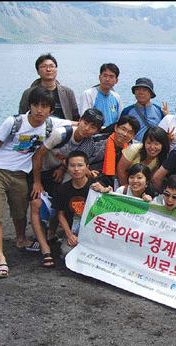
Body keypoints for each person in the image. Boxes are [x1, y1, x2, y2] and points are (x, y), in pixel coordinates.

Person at [0, 86, 69, 278]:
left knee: (19, 212)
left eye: (45, 106)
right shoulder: (13, 122)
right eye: (36, 105)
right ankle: (1, 259)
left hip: (19, 175)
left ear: (50, 109)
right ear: (30, 106)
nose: (40, 110)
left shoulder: (51, 124)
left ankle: (21, 240)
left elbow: (77, 123)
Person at [30, 108, 105, 267]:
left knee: (61, 200)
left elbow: (75, 163)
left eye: (93, 127)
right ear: (80, 121)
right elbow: (37, 155)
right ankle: (45, 250)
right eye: (85, 123)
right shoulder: (61, 134)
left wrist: (63, 169)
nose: (86, 128)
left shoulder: (88, 143)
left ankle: (51, 234)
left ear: (97, 131)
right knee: (36, 203)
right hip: (41, 171)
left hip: (57, 172)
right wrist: (37, 182)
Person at [53, 150, 93, 257]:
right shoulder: (62, 189)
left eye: (80, 165)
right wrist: (69, 234)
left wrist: (105, 189)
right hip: (74, 231)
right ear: (67, 168)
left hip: (94, 231)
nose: (76, 169)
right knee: (67, 253)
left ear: (87, 167)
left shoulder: (96, 186)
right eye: (72, 166)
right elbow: (60, 214)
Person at [19, 53, 79, 121]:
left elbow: (75, 116)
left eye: (51, 66)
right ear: (37, 71)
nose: (48, 69)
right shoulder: (28, 93)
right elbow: (21, 118)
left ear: (56, 69)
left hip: (64, 129)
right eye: (44, 66)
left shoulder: (67, 92)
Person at [89, 115, 140, 189]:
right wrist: (88, 172)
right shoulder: (97, 141)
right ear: (116, 127)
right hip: (92, 180)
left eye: (130, 132)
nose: (125, 134)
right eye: (123, 129)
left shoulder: (134, 149)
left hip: (117, 185)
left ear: (134, 136)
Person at [120, 77, 164, 142]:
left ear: (151, 93)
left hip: (154, 148)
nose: (141, 92)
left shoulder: (159, 110)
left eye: (144, 90)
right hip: (133, 149)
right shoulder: (127, 111)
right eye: (138, 89)